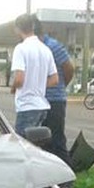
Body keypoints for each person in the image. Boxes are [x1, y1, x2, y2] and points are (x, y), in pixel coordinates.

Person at [33, 16, 75, 167]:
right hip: (37, 101)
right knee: (40, 141)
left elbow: (69, 69)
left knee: (56, 139)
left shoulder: (53, 46)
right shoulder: (31, 48)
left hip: (54, 100)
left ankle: (66, 177)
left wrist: (59, 87)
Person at [11, 14, 59, 137]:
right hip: (42, 105)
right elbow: (55, 79)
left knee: (22, 146)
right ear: (33, 27)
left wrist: (13, 87)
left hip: (27, 106)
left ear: (17, 29)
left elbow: (19, 80)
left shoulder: (20, 49)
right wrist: (39, 84)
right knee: (35, 145)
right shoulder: (46, 50)